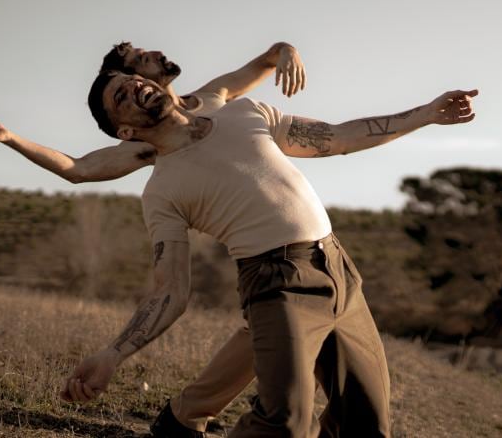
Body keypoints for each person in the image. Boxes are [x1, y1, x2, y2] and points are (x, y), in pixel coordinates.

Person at [63, 64, 477, 437]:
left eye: (136, 81)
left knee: (366, 424)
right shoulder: (163, 191)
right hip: (278, 283)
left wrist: (424, 114)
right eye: (121, 96)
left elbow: (340, 136)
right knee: (285, 424)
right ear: (125, 132)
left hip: (339, 269)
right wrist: (114, 354)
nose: (136, 88)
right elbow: (169, 289)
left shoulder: (245, 114)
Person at [0, 41, 306, 437]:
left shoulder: (211, 96)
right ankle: (190, 416)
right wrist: (11, 139)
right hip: (262, 246)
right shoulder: (147, 141)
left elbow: (262, 62)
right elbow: (79, 168)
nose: (157, 56)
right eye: (141, 62)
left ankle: (184, 417)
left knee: (269, 328)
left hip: (297, 229)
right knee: (280, 324)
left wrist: (286, 50)